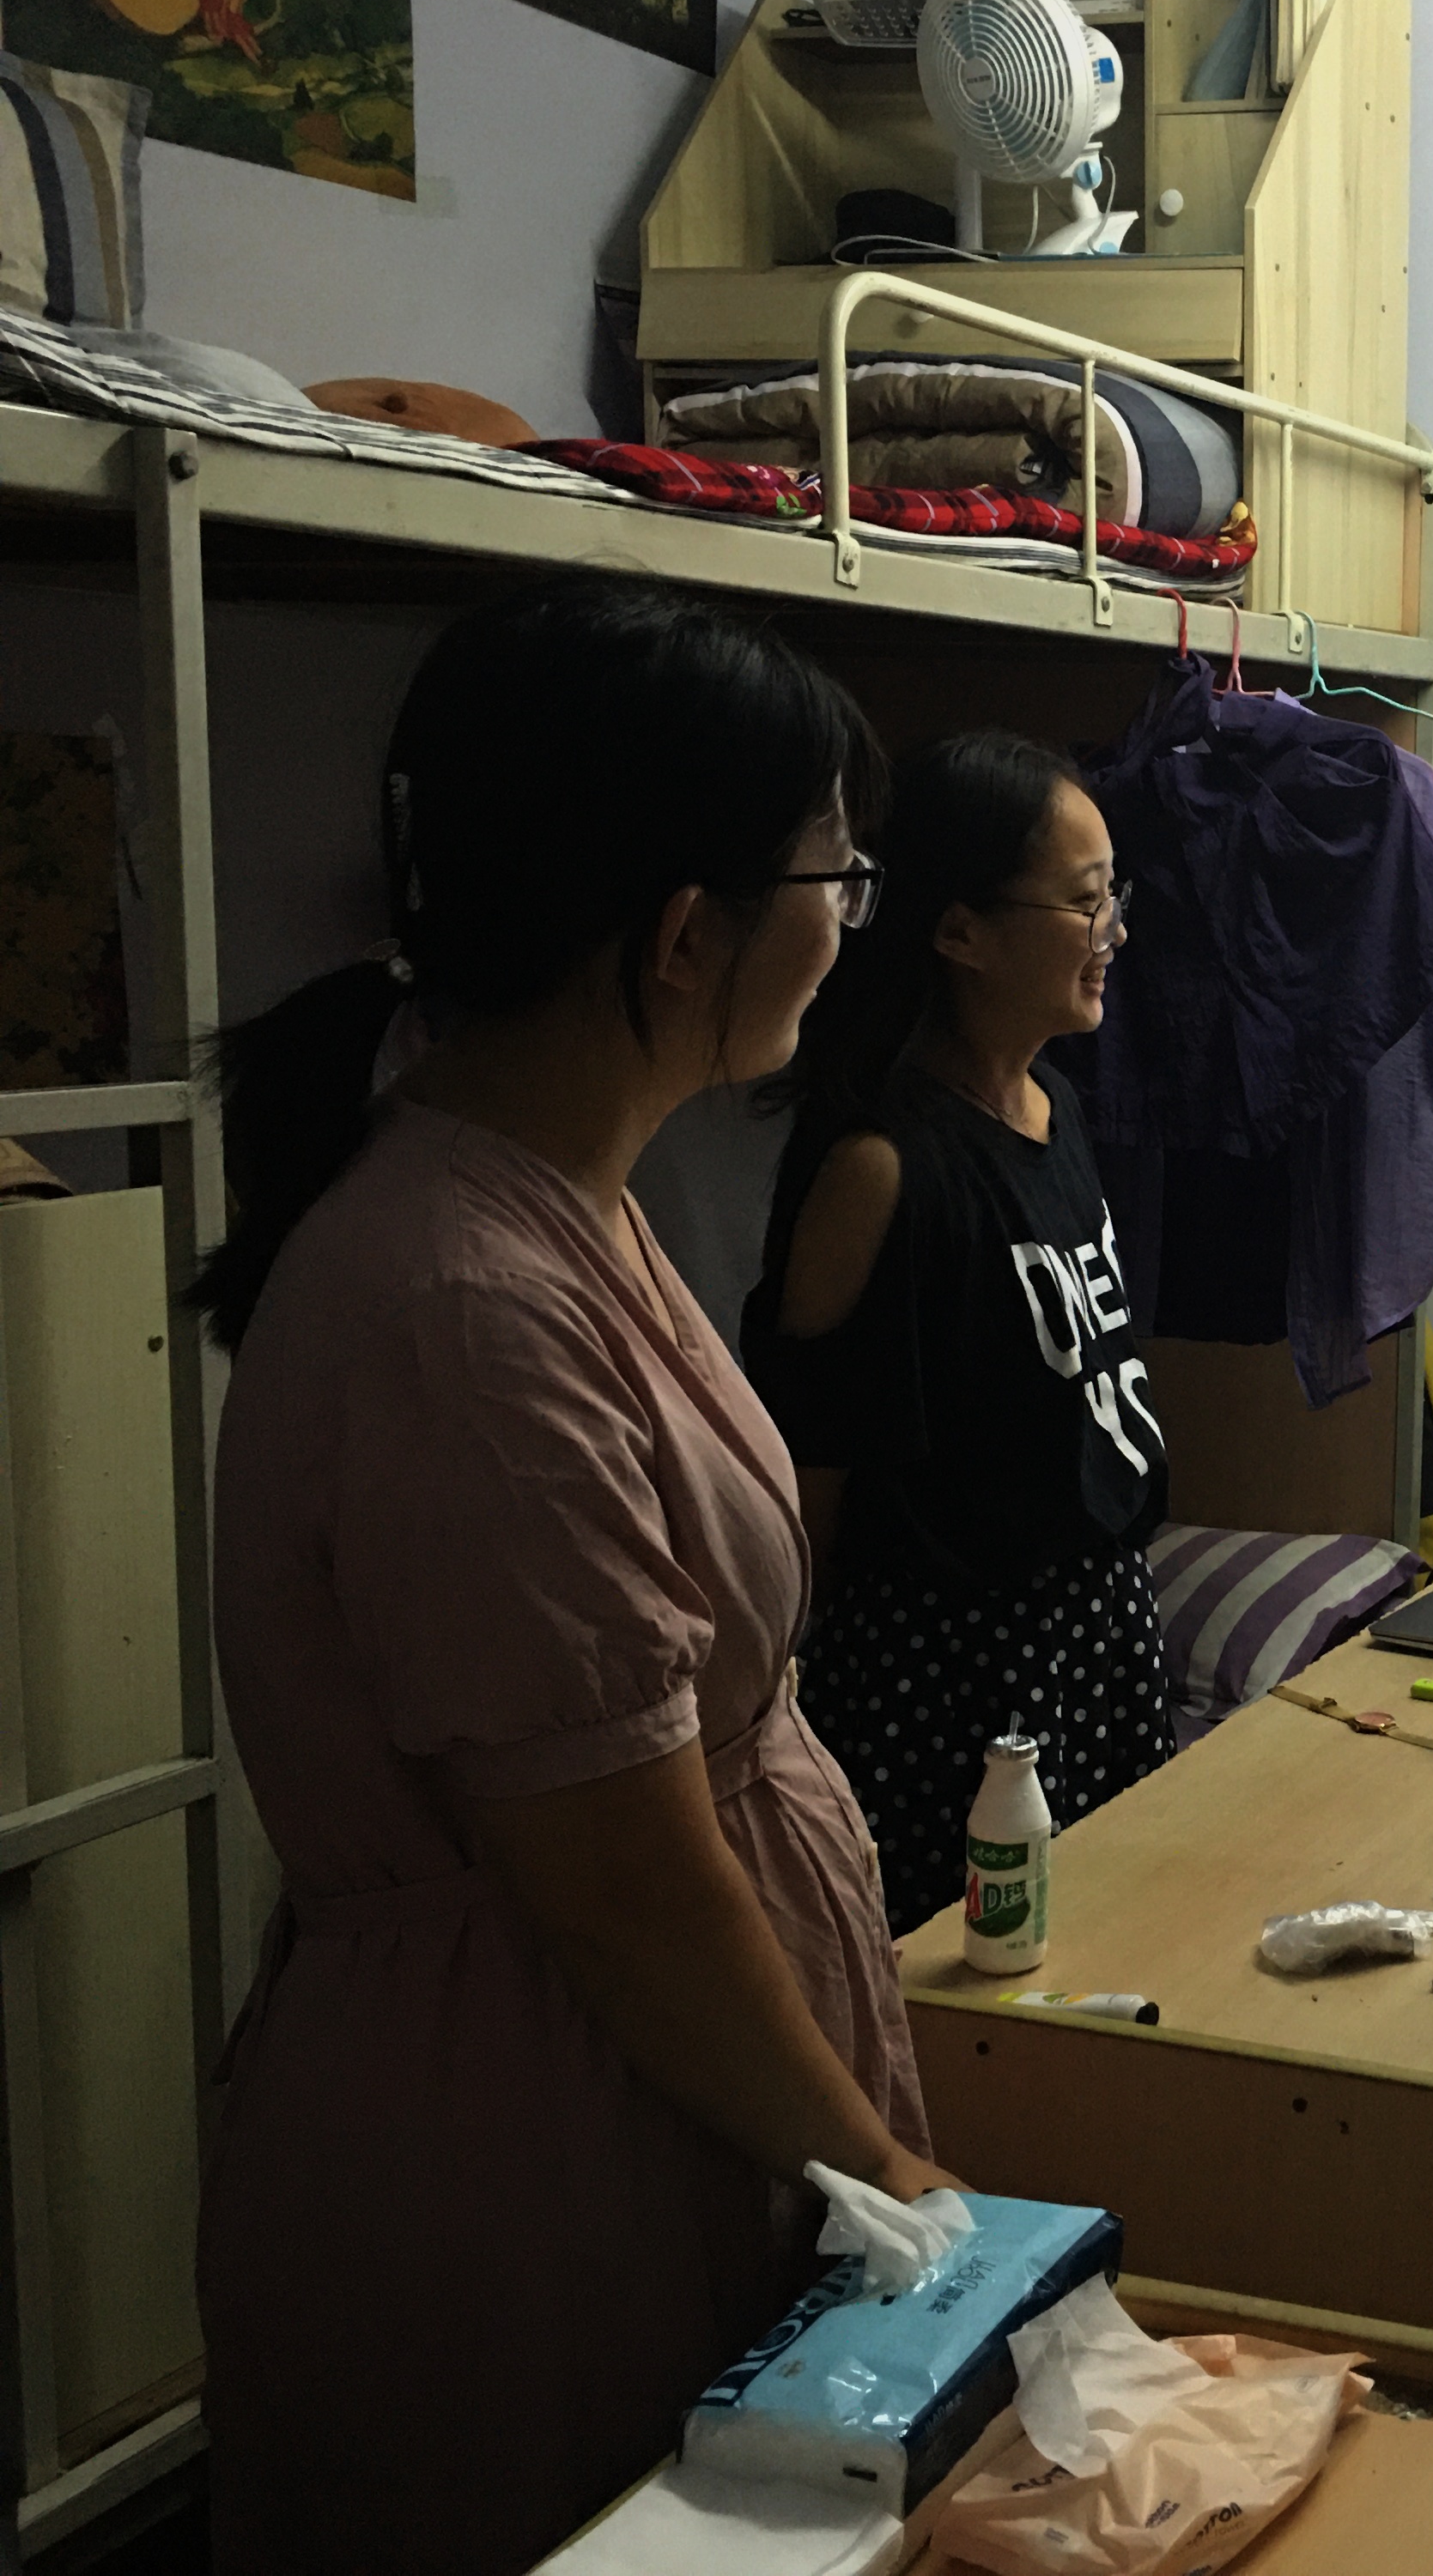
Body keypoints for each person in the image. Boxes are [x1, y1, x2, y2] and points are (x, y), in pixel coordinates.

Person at [195, 585, 955, 2576]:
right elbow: (618, 1884)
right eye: (839, 877)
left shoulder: (563, 1205)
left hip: (638, 2090)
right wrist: (888, 2178)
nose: (853, 923)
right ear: (687, 932)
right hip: (532, 2136)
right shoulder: (464, 1307)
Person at [748, 731, 1175, 1941]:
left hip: (1101, 1639)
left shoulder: (1057, 1111)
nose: (1113, 932)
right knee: (970, 1993)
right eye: (1084, 903)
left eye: (1115, 897)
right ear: (959, 931)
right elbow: (809, 1490)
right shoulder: (881, 1168)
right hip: (954, 1690)